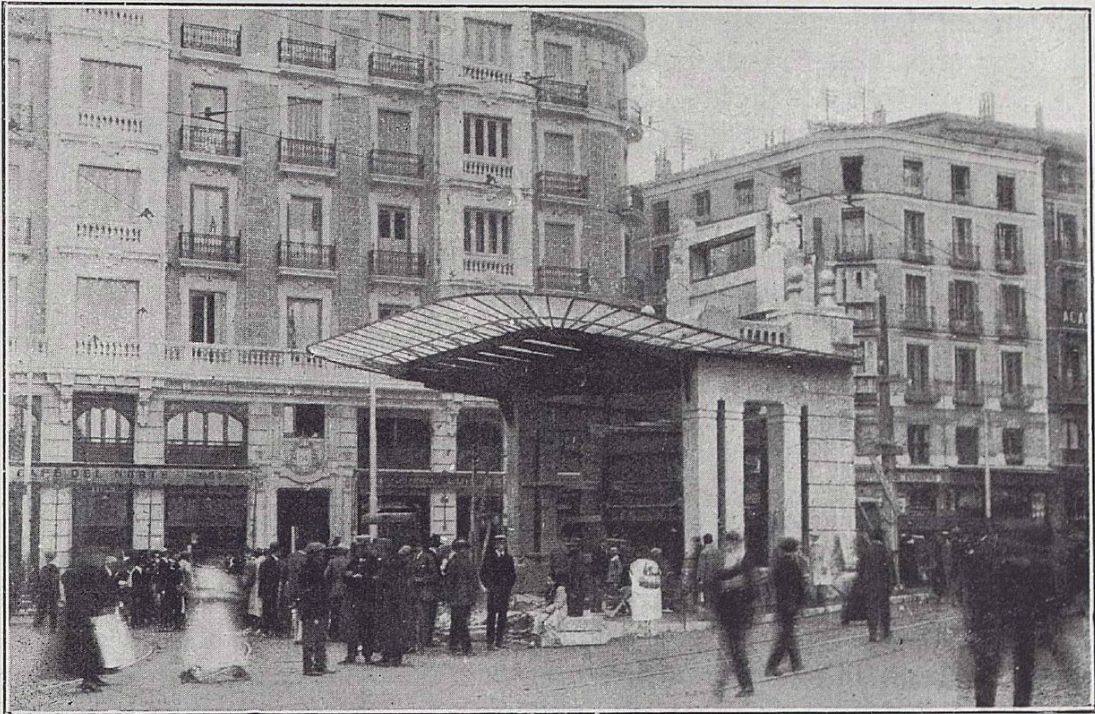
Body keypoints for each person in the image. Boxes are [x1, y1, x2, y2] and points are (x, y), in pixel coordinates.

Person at [961, 525, 1058, 707]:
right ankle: (1014, 706)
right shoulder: (1034, 548)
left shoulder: (986, 548)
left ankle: (991, 706)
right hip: (1016, 614)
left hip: (1001, 614)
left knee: (992, 668)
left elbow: (972, 590)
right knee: (1019, 667)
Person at [61, 548, 116, 692]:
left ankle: (93, 676)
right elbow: (82, 597)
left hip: (82, 616)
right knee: (85, 648)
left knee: (92, 647)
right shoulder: (74, 575)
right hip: (79, 617)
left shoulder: (76, 573)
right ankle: (88, 679)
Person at [712, 531, 755, 699]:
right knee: (732, 651)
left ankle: (739, 686)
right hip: (727, 614)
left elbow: (751, 590)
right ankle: (734, 685)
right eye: (727, 544)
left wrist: (730, 583)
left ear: (737, 543)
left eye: (730, 544)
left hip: (740, 614)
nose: (728, 547)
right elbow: (718, 582)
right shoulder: (727, 561)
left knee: (735, 651)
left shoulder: (745, 561)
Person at [765, 537, 806, 677]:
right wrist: (800, 603)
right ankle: (771, 666)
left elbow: (776, 584)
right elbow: (799, 586)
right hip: (790, 605)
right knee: (785, 636)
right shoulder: (792, 564)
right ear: (793, 550)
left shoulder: (779, 564)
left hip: (782, 604)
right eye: (797, 549)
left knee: (788, 634)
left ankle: (796, 663)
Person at [340, 537, 381, 664]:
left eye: (363, 546)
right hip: (354, 598)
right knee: (352, 628)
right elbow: (345, 575)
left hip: (367, 598)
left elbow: (376, 577)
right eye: (358, 546)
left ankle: (367, 655)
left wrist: (364, 578)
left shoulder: (373, 561)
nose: (360, 549)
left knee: (367, 628)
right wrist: (351, 576)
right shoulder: (353, 561)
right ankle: (351, 655)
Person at [298, 542, 335, 676]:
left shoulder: (314, 567)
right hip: (313, 607)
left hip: (316, 606)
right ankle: (310, 666)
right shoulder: (310, 569)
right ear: (314, 554)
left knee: (318, 637)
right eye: (320, 553)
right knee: (311, 637)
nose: (322, 555)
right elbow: (313, 589)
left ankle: (319, 664)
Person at [375, 542, 412, 666]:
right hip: (390, 600)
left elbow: (390, 583)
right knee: (389, 629)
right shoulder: (392, 564)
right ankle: (389, 656)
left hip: (394, 600)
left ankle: (393, 656)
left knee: (393, 629)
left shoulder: (394, 565)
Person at [479, 534, 516, 650]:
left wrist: (509, 587)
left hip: (504, 592)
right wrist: (489, 586)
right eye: (499, 543)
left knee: (502, 617)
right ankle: (490, 642)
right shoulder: (489, 557)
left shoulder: (508, 558)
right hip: (493, 592)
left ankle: (499, 641)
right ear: (495, 545)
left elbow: (512, 574)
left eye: (503, 543)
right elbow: (483, 573)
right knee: (491, 617)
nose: (501, 546)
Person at [857, 529, 894, 643]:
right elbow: (890, 569)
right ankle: (885, 631)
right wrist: (893, 584)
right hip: (883, 584)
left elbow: (860, 568)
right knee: (884, 608)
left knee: (871, 608)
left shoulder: (866, 550)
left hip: (869, 585)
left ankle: (872, 633)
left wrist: (862, 583)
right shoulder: (885, 550)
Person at [444, 538, 478, 655]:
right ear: (458, 550)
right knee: (461, 622)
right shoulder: (459, 563)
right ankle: (466, 647)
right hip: (460, 597)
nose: (464, 551)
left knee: (456, 622)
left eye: (465, 549)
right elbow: (449, 582)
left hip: (460, 597)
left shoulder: (458, 562)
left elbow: (473, 581)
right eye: (462, 549)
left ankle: (453, 645)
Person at [410, 537, 442, 649]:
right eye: (415, 546)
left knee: (426, 618)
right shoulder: (413, 558)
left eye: (418, 546)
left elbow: (435, 575)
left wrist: (422, 580)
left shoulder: (428, 558)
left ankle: (426, 641)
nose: (416, 548)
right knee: (419, 618)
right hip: (416, 592)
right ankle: (420, 641)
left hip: (427, 592)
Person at [325, 542, 351, 641]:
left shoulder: (332, 561)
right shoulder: (348, 561)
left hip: (334, 589)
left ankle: (333, 633)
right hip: (346, 589)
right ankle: (343, 633)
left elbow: (326, 575)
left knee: (334, 612)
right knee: (344, 612)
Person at [258, 543, 282, 636]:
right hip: (270, 589)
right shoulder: (271, 562)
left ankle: (267, 629)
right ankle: (269, 629)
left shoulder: (266, 561)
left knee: (267, 609)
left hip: (267, 589)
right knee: (270, 609)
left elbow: (261, 577)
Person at [34, 552, 61, 631]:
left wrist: (57, 593)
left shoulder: (54, 569)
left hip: (52, 592)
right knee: (42, 607)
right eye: (47, 558)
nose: (47, 560)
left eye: (49, 558)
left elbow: (56, 582)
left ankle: (53, 626)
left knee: (53, 609)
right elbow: (40, 581)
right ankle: (39, 623)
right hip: (44, 592)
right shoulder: (44, 569)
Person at [696, 533, 720, 608]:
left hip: (707, 577)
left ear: (704, 541)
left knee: (707, 595)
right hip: (716, 576)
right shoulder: (717, 551)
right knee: (715, 594)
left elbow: (701, 566)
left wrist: (700, 579)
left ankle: (708, 610)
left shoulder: (704, 552)